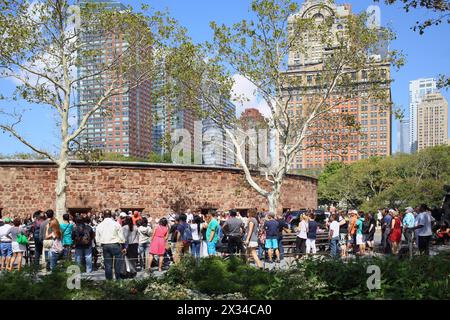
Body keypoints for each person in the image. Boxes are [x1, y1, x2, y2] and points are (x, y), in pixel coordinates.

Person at [95, 210, 125, 280]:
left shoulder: (100, 225)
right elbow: (121, 236)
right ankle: (118, 279)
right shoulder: (116, 224)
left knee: (108, 264)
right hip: (115, 244)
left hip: (105, 245)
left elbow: (97, 238)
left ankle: (109, 281)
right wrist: (123, 245)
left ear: (103, 215)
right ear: (111, 215)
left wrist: (100, 244)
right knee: (117, 264)